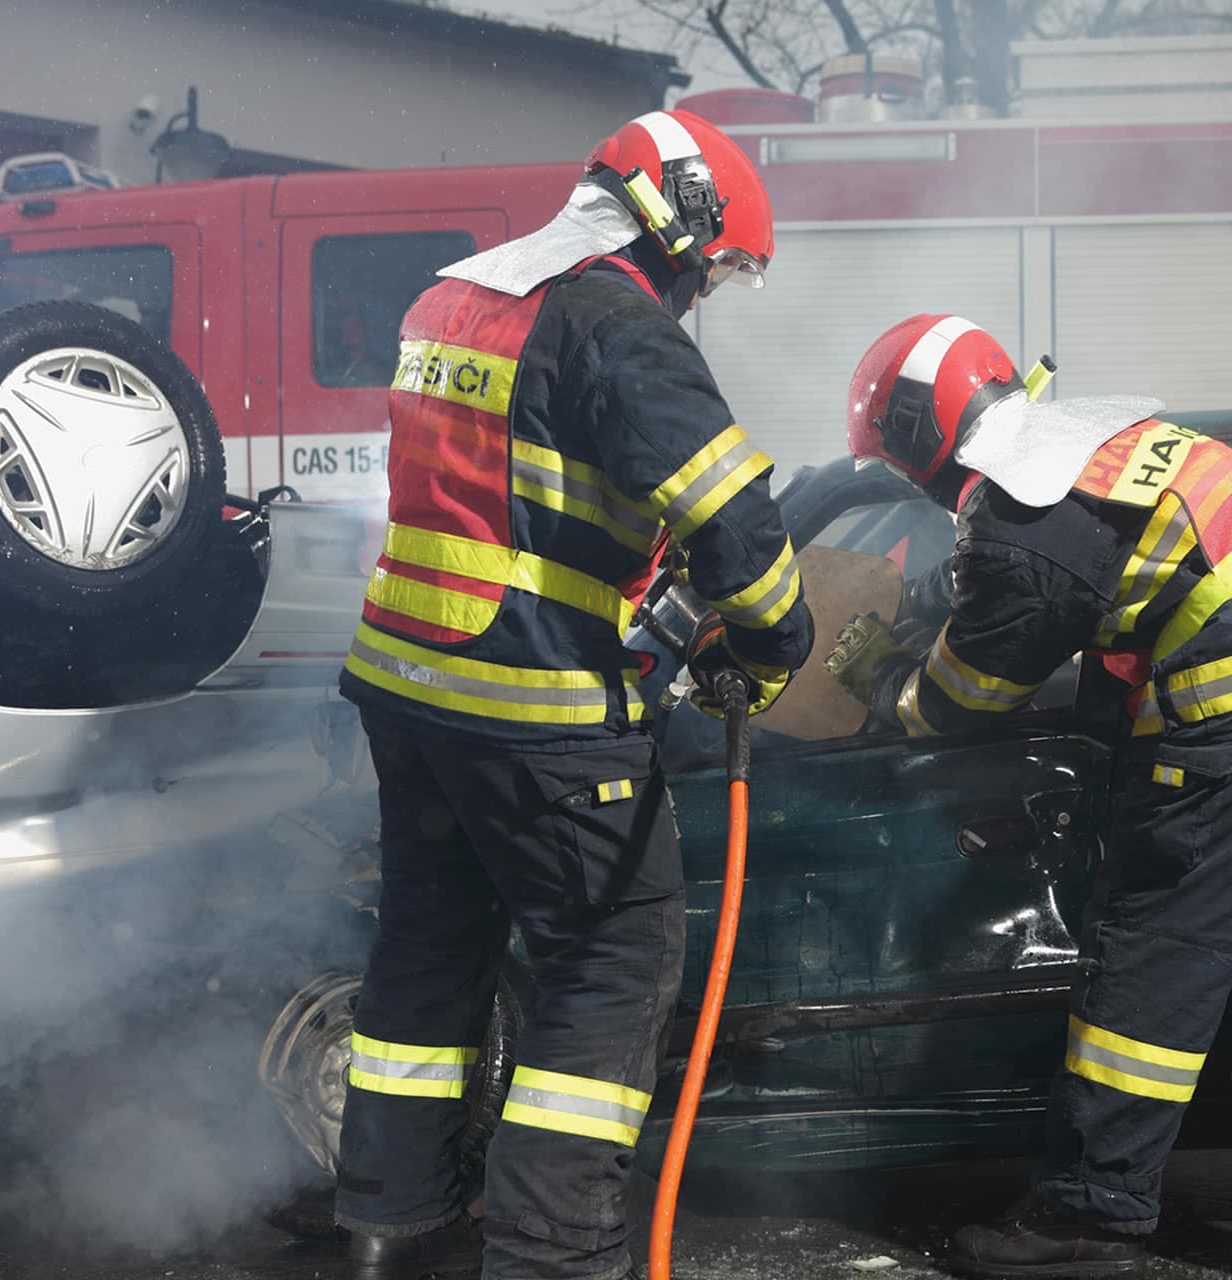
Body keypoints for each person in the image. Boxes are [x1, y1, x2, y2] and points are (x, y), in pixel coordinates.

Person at [823, 314, 1232, 1280]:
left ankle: (1088, 1217)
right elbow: (1115, 596)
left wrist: (882, 680)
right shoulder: (1104, 448)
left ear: (917, 439)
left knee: (1156, 958)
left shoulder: (1016, 511)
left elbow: (965, 698)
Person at [333, 109, 814, 1280]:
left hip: (409, 690)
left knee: (426, 960)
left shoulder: (453, 295)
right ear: (680, 221)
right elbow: (735, 523)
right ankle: (553, 1255)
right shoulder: (614, 320)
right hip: (533, 709)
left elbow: (511, 504)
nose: (702, 291)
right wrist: (770, 641)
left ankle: (393, 1230)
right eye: (711, 268)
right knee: (612, 954)